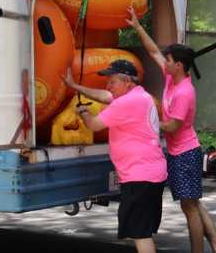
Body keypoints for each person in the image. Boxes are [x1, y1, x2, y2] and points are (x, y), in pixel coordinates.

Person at [126, 6, 216, 253]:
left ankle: (201, 250)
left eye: (169, 60)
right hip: (176, 153)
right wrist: (138, 27)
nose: (166, 62)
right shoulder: (173, 78)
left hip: (185, 153)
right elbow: (153, 51)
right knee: (191, 204)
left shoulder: (185, 92)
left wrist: (145, 121)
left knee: (190, 208)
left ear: (179, 65)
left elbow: (172, 126)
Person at [63, 59, 167, 253]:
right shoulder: (139, 96)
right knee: (142, 230)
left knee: (140, 234)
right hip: (149, 173)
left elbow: (94, 125)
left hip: (140, 175)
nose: (108, 86)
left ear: (127, 80)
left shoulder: (127, 103)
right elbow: (104, 96)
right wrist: (74, 86)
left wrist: (84, 112)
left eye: (112, 81)